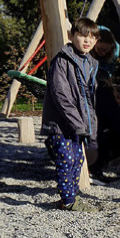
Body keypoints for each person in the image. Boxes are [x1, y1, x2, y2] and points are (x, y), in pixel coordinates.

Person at [41, 17, 99, 211]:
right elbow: (61, 94)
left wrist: (90, 127)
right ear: (72, 36)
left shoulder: (90, 63)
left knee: (77, 160)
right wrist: (77, 122)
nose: (87, 40)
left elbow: (89, 100)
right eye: (82, 35)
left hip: (78, 123)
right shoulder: (62, 61)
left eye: (91, 37)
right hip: (61, 123)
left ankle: (71, 197)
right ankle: (68, 201)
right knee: (66, 159)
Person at [89, 29, 120, 179]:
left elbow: (108, 74)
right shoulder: (86, 55)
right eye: (99, 49)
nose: (102, 52)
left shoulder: (113, 54)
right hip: (93, 94)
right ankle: (95, 167)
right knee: (96, 132)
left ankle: (99, 163)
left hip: (105, 93)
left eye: (105, 50)